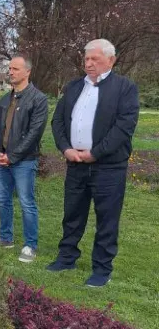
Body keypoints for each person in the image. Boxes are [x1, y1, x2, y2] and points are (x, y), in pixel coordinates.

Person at [49, 39, 139, 287]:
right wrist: (66, 148)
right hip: (76, 163)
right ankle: (67, 257)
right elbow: (58, 121)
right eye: (86, 59)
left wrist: (96, 153)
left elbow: (124, 127)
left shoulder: (124, 88)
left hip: (108, 167)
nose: (88, 63)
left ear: (111, 60)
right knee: (72, 214)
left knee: (106, 218)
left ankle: (102, 268)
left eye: (94, 59)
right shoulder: (74, 86)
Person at [0, 56, 48, 262]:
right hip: (2, 159)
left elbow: (34, 133)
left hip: (24, 161)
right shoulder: (5, 99)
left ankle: (30, 245)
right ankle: (6, 238)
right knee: (3, 199)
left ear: (27, 72)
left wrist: (12, 157)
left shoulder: (38, 99)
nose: (11, 72)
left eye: (15, 69)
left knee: (26, 202)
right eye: (10, 68)